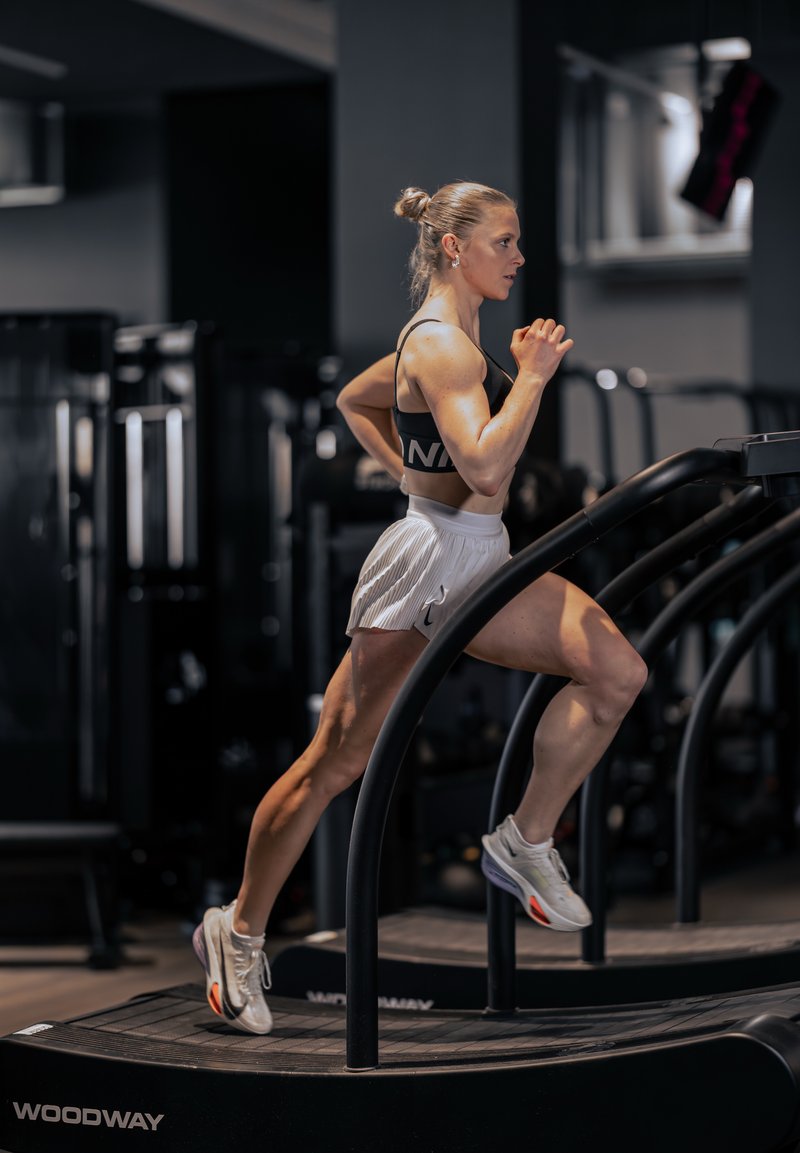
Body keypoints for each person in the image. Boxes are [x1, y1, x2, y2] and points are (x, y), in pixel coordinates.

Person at [192, 180, 648, 1034]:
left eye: (517, 243)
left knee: (615, 669)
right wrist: (536, 378)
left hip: (476, 553)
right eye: (505, 243)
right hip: (429, 563)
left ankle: (526, 838)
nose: (518, 257)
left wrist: (405, 469)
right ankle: (237, 928)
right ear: (454, 248)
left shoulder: (450, 338)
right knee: (336, 760)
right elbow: (482, 467)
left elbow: (357, 401)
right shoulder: (444, 346)